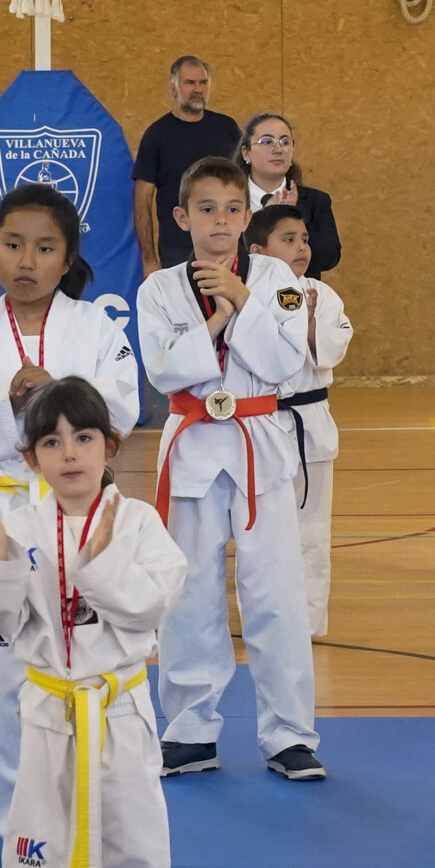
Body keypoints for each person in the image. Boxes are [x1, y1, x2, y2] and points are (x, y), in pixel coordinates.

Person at [0, 376, 185, 868]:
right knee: (38, 846)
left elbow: (148, 607)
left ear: (110, 446)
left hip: (118, 710)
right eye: (51, 442)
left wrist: (100, 561)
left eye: (83, 438)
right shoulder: (19, 527)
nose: (69, 454)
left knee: (130, 840)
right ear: (30, 459)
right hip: (50, 714)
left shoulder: (139, 523)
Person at [0, 184, 140, 831]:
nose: (27, 261)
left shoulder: (94, 326)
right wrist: (9, 406)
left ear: (68, 257)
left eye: (45, 248)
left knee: (84, 663)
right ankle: (13, 820)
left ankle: (84, 810)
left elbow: (123, 409)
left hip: (78, 515)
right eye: (13, 244)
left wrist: (56, 398)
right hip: (0, 514)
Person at [137, 157, 322, 781]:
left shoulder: (276, 278)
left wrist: (242, 299)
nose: (221, 220)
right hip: (192, 442)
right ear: (181, 216)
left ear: (248, 217)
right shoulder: (158, 289)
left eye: (233, 209)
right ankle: (191, 728)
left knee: (276, 594)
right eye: (207, 209)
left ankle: (289, 735)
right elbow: (164, 371)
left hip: (258, 443)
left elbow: (284, 364)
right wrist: (217, 317)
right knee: (188, 594)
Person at [250, 202, 354, 638]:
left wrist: (308, 324)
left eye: (305, 240)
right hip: (261, 424)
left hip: (309, 422)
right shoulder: (244, 293)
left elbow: (333, 348)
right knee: (262, 533)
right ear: (257, 251)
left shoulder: (320, 294)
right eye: (288, 239)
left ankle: (308, 622)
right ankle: (265, 618)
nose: (301, 248)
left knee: (311, 531)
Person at [131, 56, 243, 274]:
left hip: (227, 245)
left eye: (203, 83)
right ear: (174, 89)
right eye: (190, 83)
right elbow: (142, 201)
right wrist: (149, 260)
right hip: (177, 250)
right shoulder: (157, 135)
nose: (198, 89)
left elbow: (245, 183)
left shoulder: (227, 128)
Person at [235, 112, 342, 279]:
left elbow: (329, 258)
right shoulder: (230, 201)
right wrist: (264, 218)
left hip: (299, 293)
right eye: (267, 141)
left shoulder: (315, 201)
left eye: (285, 142)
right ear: (246, 152)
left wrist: (294, 218)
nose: (278, 149)